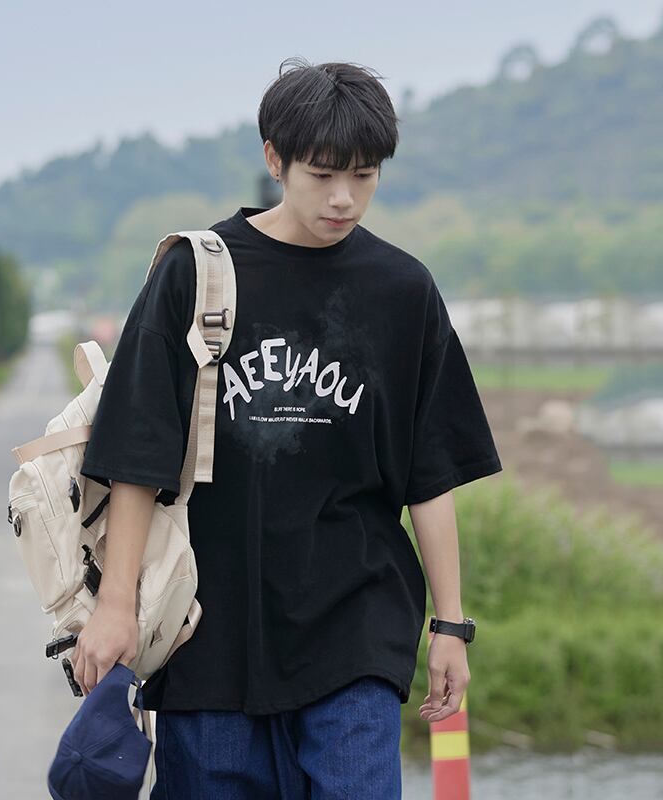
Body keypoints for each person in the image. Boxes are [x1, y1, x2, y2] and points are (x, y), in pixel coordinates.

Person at [74, 56, 503, 800]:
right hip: (206, 635)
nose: (344, 198)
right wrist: (116, 609)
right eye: (322, 174)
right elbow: (137, 454)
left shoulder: (403, 291)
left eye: (364, 176)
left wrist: (451, 625)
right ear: (275, 160)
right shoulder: (195, 275)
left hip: (355, 631)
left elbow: (430, 473)